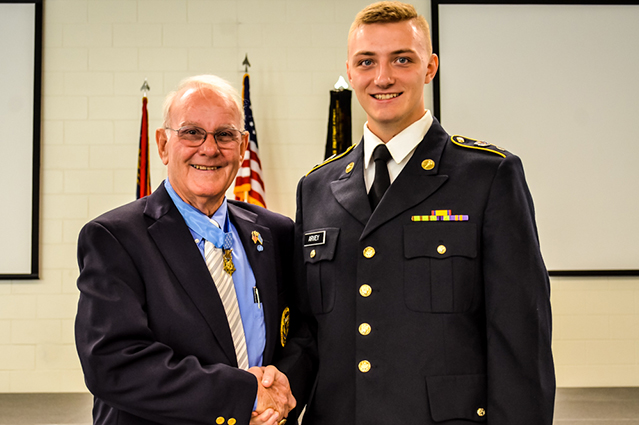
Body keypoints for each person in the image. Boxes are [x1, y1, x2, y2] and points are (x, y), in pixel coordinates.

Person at [278, 2, 555, 424]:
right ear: (350, 72)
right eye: (366, 62)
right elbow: (307, 334)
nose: (382, 77)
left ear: (430, 67)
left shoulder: (488, 176)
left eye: (402, 59)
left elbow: (520, 339)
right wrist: (271, 393)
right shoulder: (315, 188)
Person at [75, 75, 295, 425]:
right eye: (192, 132)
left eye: (224, 134)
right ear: (163, 144)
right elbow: (113, 363)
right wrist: (244, 397)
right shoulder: (115, 238)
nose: (209, 148)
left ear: (242, 147)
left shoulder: (276, 232)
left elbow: (300, 335)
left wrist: (277, 396)